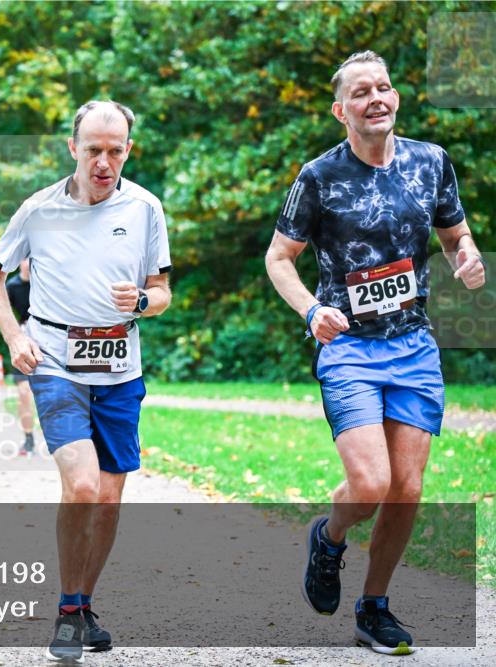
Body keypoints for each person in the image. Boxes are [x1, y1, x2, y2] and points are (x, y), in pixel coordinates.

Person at [264, 51, 486, 656]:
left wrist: (466, 255)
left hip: (413, 345)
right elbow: (278, 259)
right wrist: (313, 309)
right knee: (368, 483)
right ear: (342, 111)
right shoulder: (318, 176)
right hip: (350, 348)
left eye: (383, 87)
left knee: (407, 489)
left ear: (396, 98)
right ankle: (329, 539)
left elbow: (453, 234)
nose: (376, 98)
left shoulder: (431, 162)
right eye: (361, 93)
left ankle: (374, 607)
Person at [0, 100, 171, 663]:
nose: (104, 162)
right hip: (57, 362)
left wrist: (141, 300)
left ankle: (85, 601)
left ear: (128, 150)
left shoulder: (146, 209)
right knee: (83, 486)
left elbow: (160, 293)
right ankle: (67, 611)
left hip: (120, 369)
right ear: (73, 148)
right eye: (94, 150)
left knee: (109, 499)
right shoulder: (37, 210)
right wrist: (16, 337)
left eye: (116, 150)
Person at [5, 257, 37, 456]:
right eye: (25, 258)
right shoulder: (12, 287)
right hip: (22, 343)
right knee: (24, 392)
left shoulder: (45, 282)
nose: (28, 263)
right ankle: (28, 439)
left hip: (48, 343)